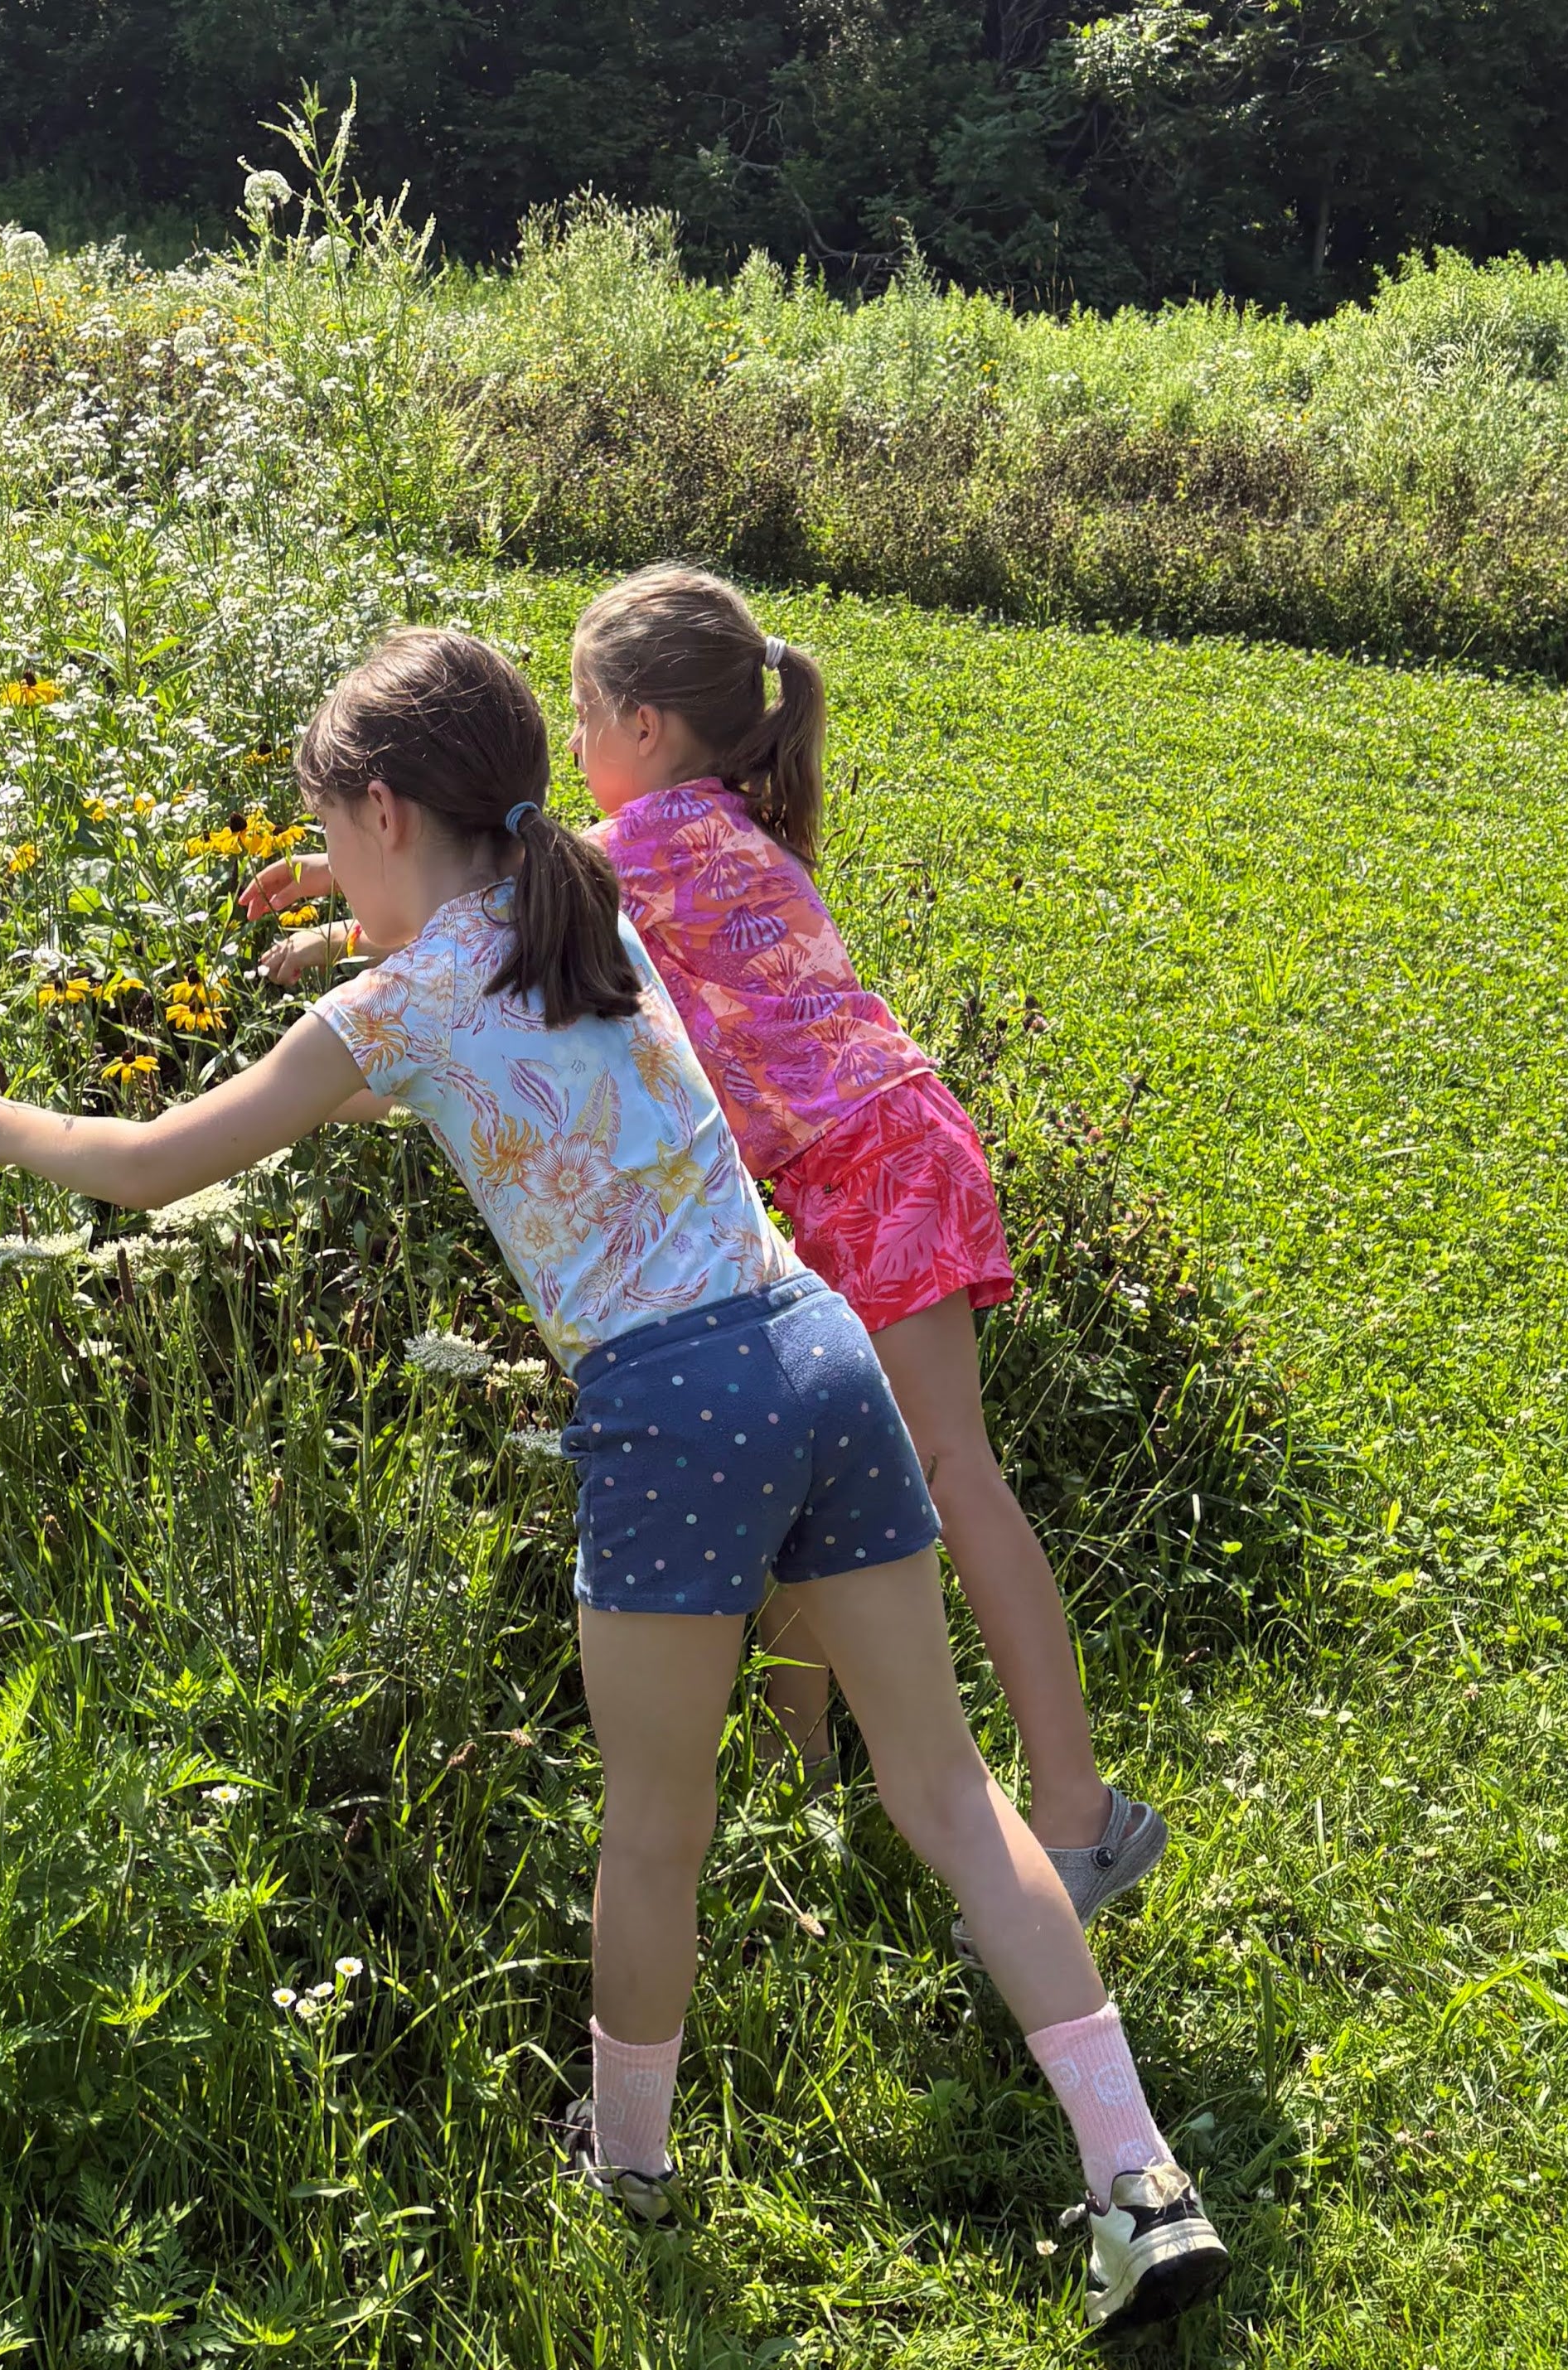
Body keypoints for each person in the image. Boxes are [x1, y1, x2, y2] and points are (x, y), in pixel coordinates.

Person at [0, 627, 1226, 2332]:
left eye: (327, 833)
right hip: (813, 1337)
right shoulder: (582, 899)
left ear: (385, 812)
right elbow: (482, 983)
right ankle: (1136, 2176)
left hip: (669, 1405)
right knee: (950, 1796)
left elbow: (155, 1167)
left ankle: (624, 2172)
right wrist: (341, 930)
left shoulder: (391, 1007)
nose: (325, 866)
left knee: (656, 1830)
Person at [254, 568, 1164, 1969]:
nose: (569, 747)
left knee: (950, 1473)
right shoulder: (712, 823)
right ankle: (809, 1786)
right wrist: (350, 876)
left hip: (861, 1165)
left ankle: (1077, 1810)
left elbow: (489, 897)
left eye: (579, 714)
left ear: (643, 725)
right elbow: (492, 891)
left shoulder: (645, 845)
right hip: (889, 1147)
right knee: (834, 1480)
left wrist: (338, 921)